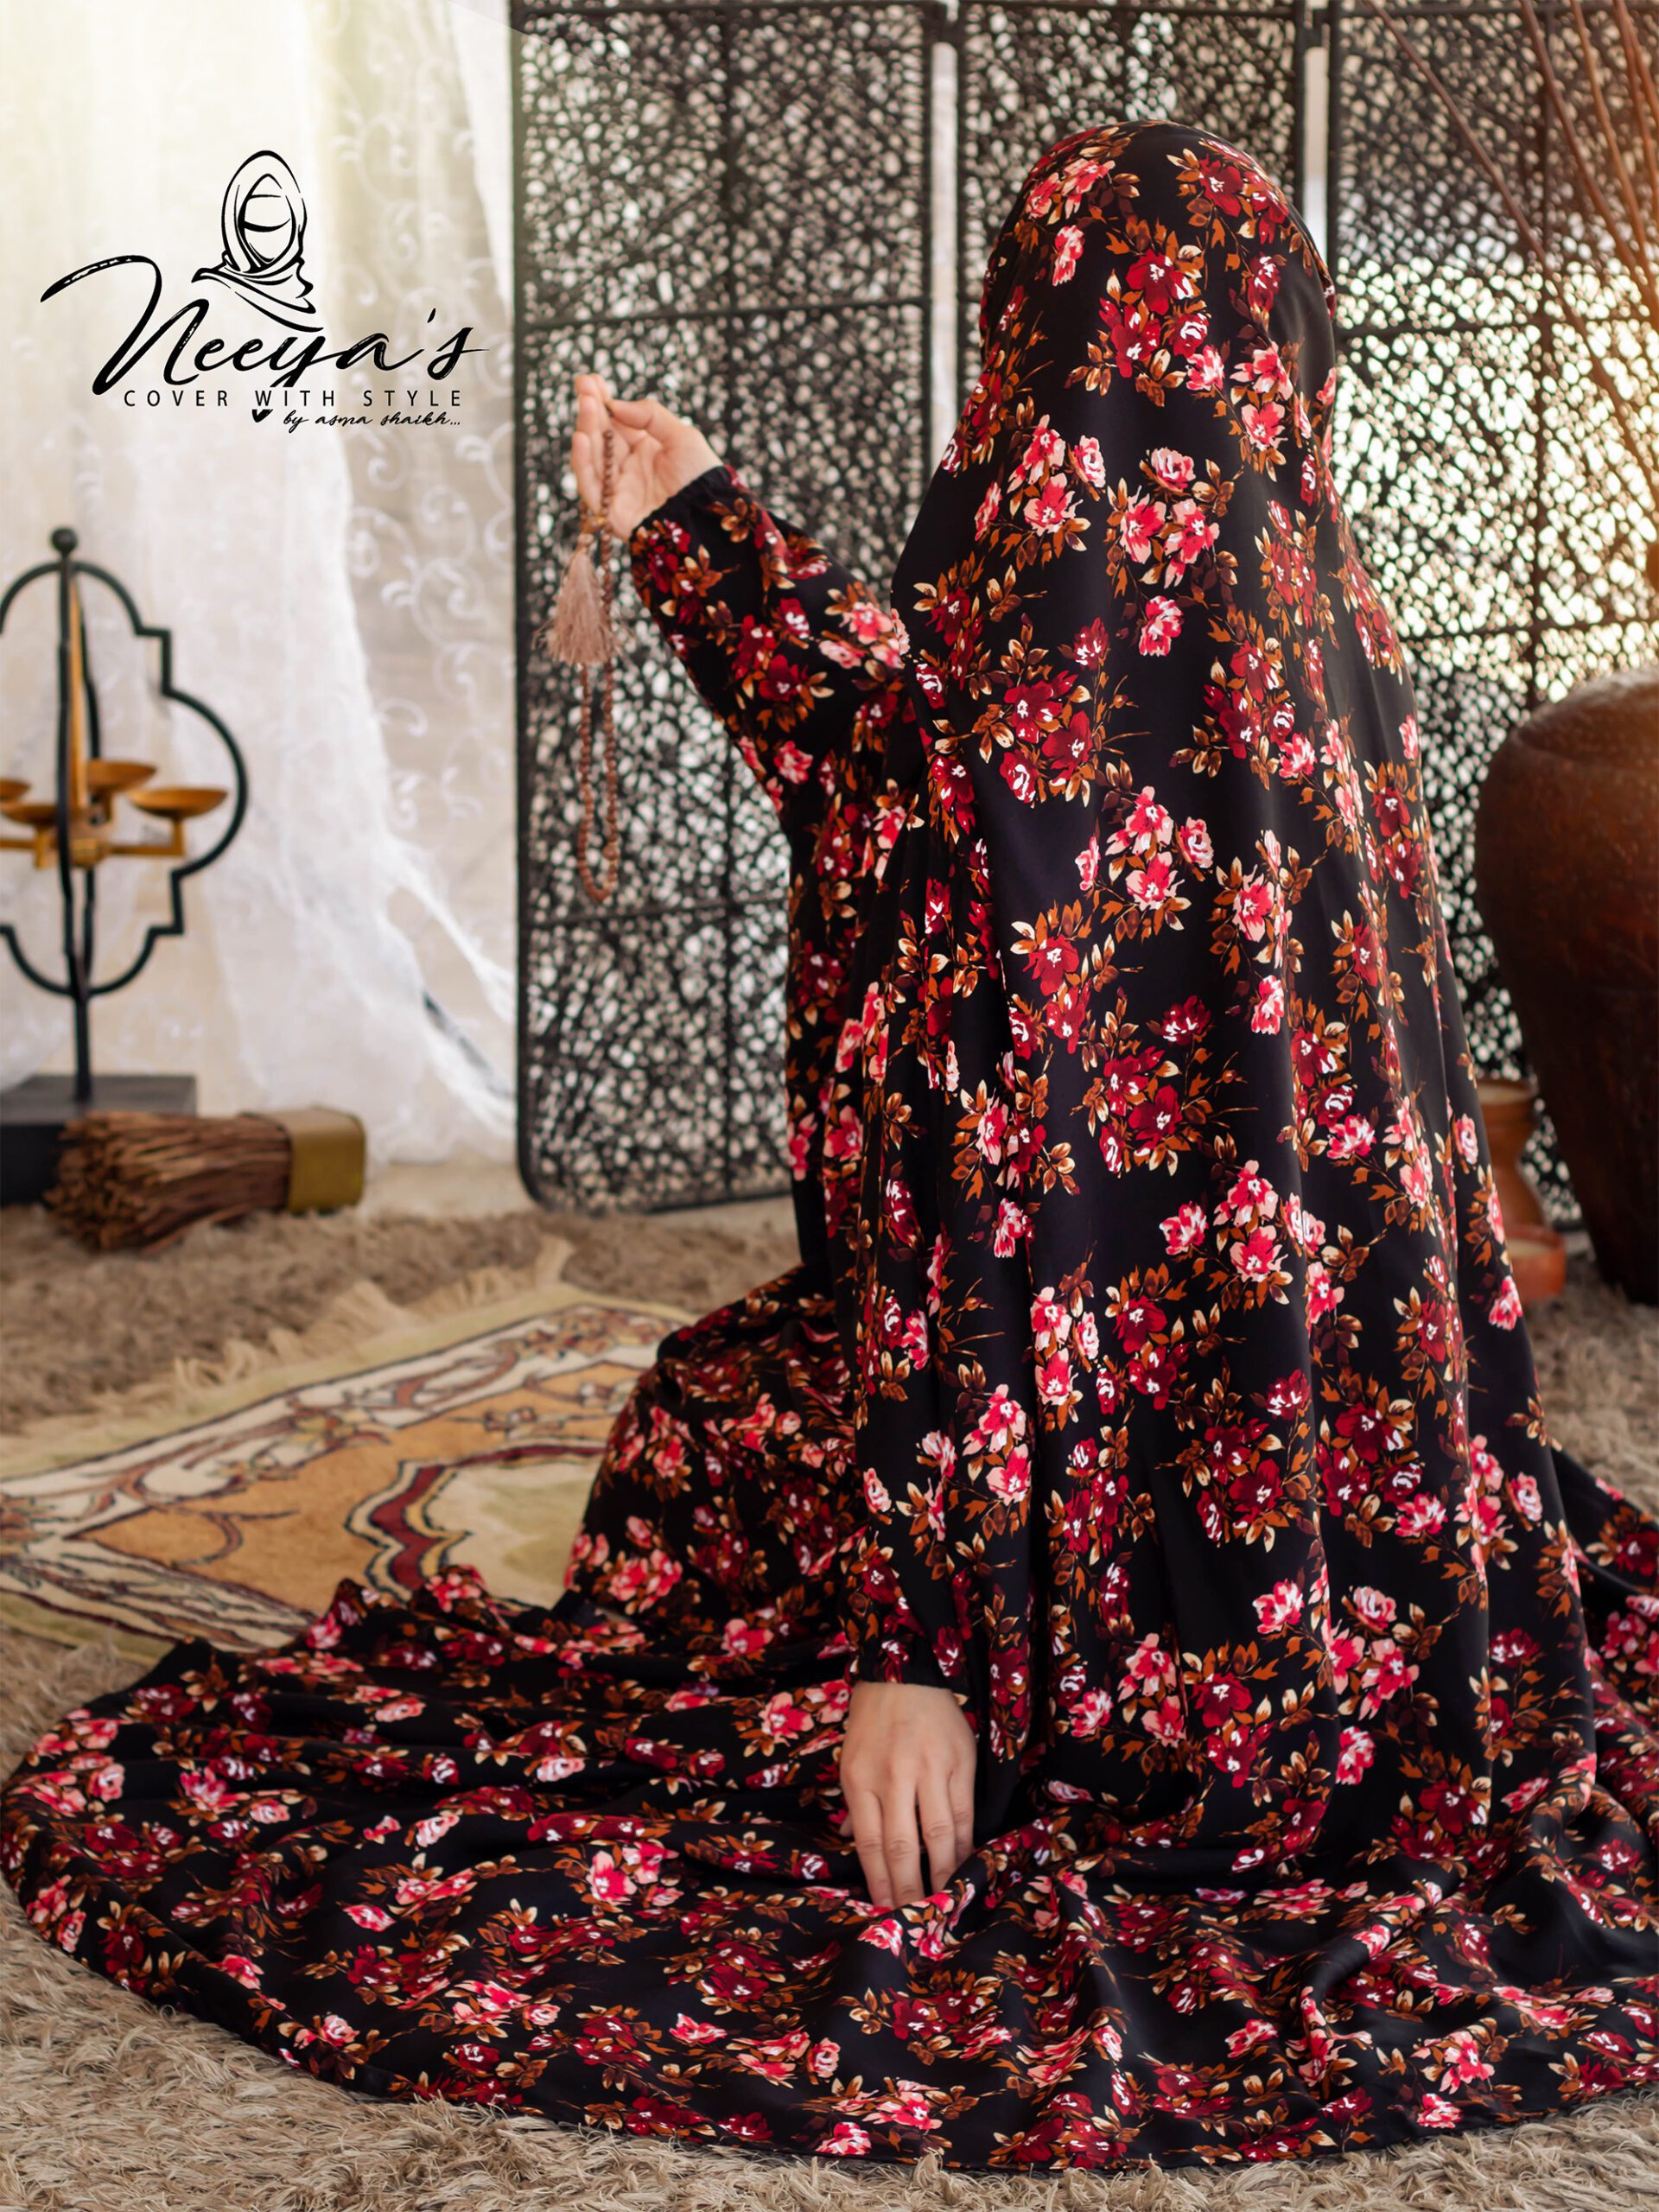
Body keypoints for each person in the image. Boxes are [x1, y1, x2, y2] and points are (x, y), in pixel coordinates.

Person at [4, 117, 1656, 2173]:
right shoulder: (1326, 639)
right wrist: (697, 516)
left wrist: (922, 1648)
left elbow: (964, 1162)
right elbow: (911, 763)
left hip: (1080, 1559)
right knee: (744, 1388)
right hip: (1349, 1509)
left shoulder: (1033, 678)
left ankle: (964, 1664)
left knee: (711, 1429)